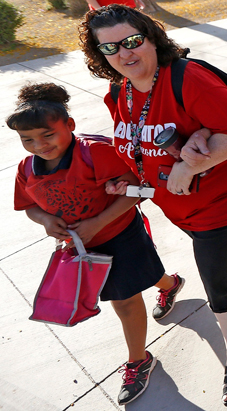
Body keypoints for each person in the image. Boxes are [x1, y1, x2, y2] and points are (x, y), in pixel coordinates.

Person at [79, 5, 227, 406]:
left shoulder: (187, 78)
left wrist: (191, 162)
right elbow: (134, 142)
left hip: (223, 200)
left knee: (219, 280)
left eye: (133, 41)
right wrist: (127, 178)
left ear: (151, 36)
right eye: (110, 48)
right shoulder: (119, 91)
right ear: (100, 55)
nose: (125, 54)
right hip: (175, 205)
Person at [9, 83, 182, 406]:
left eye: (47, 135)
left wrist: (98, 222)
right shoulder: (26, 169)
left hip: (120, 234)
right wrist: (46, 221)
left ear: (69, 126)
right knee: (143, 275)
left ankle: (138, 360)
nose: (39, 145)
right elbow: (28, 206)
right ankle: (171, 284)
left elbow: (136, 190)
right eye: (27, 139)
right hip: (86, 249)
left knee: (125, 300)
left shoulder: (95, 152)